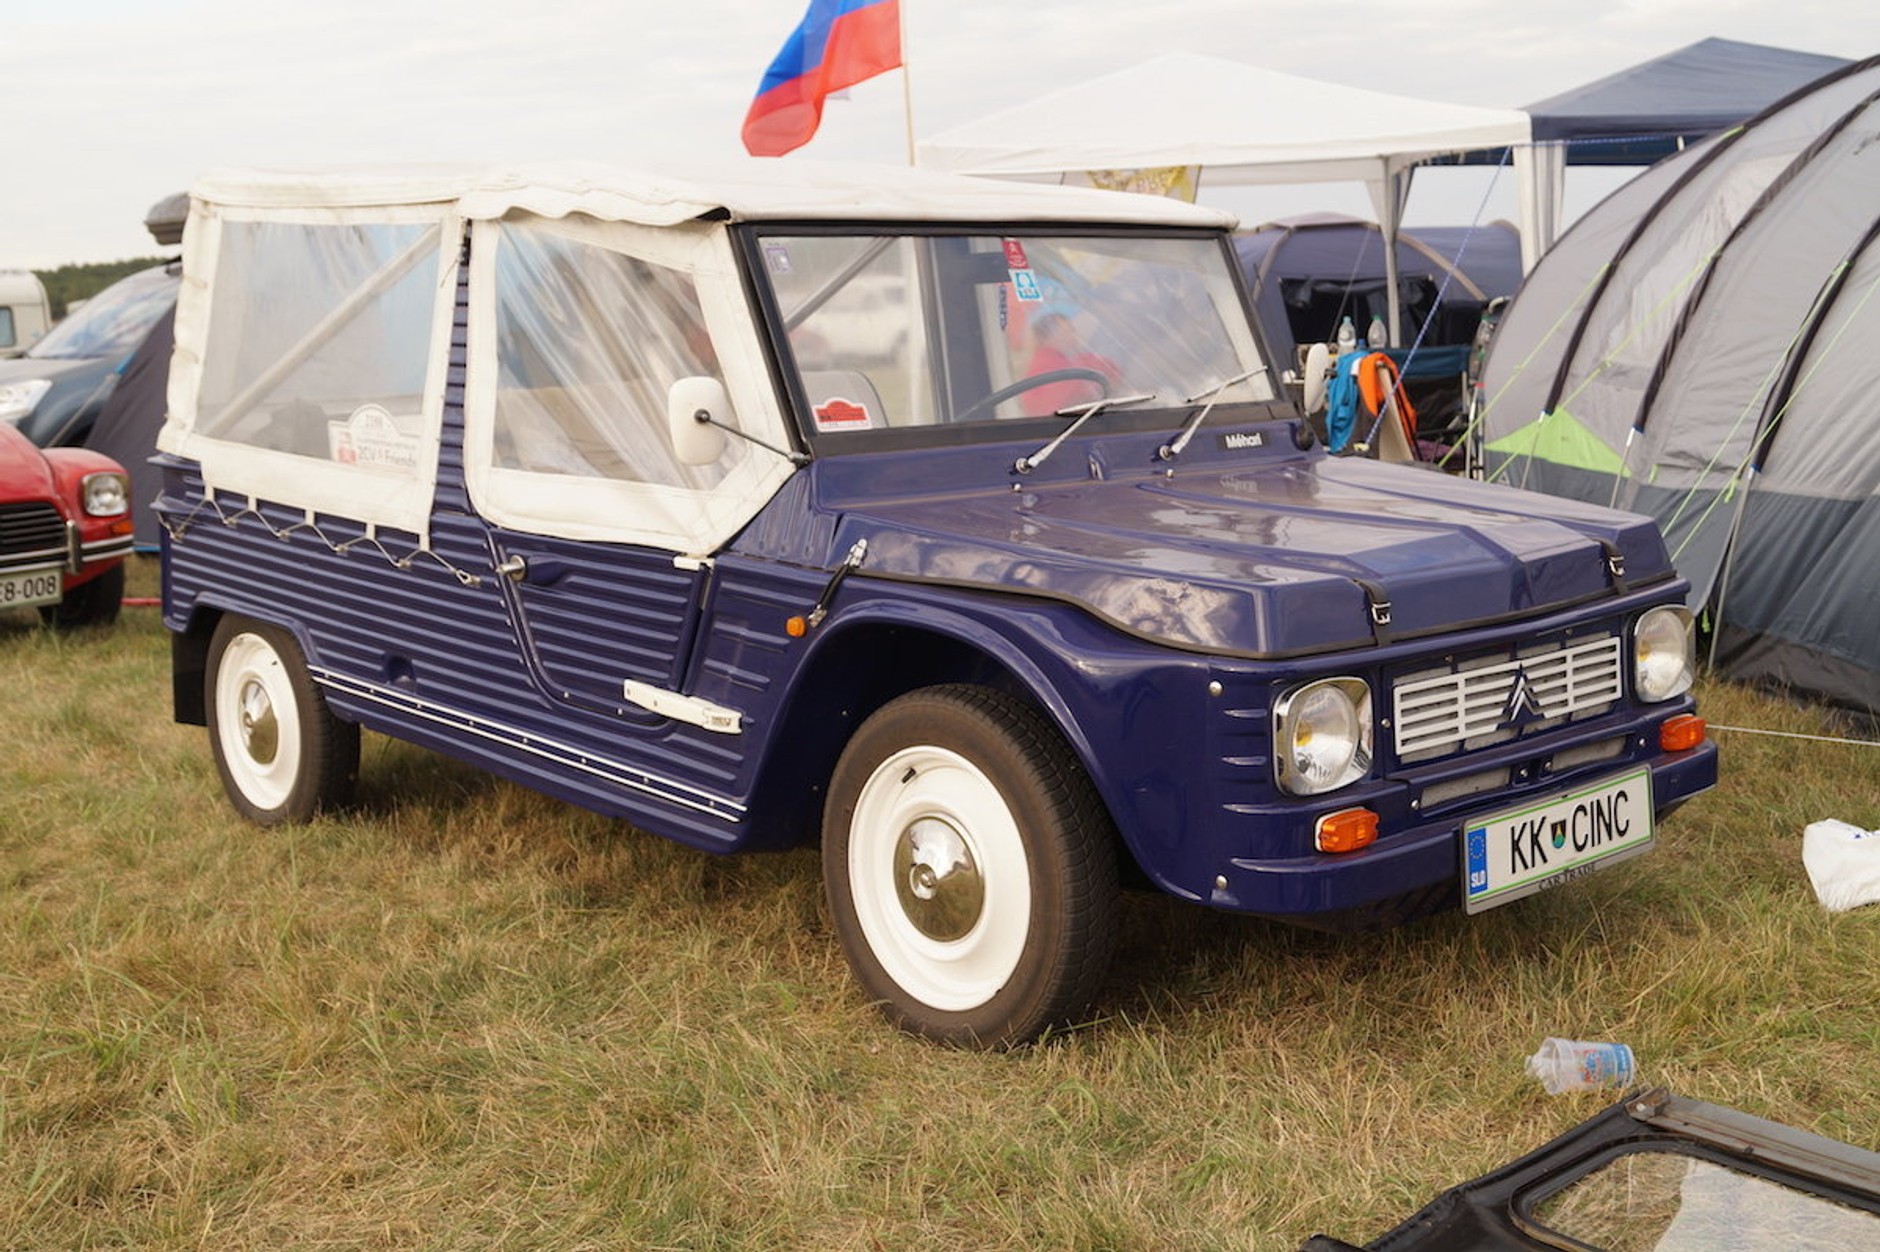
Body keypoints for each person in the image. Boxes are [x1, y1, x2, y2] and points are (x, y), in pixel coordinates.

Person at [1021, 311, 1122, 416]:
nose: (1073, 336)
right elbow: (1052, 406)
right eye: (1066, 332)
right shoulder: (1047, 364)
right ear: (1048, 338)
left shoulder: (1064, 360)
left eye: (1072, 331)